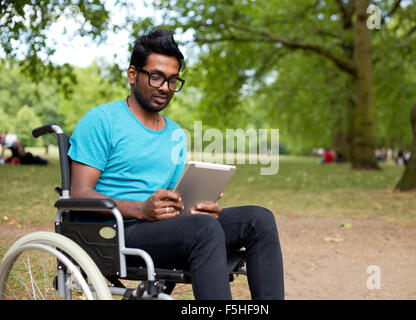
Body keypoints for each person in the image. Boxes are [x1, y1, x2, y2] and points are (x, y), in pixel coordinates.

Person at [68, 28, 284, 300]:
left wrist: (198, 208)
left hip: (161, 229)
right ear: (132, 74)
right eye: (156, 77)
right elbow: (79, 193)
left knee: (258, 219)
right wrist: (142, 209)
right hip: (114, 233)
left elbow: (173, 201)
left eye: (173, 80)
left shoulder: (174, 133)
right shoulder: (102, 120)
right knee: (203, 231)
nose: (165, 88)